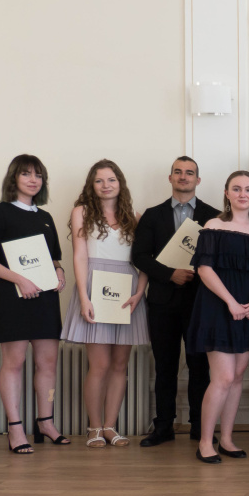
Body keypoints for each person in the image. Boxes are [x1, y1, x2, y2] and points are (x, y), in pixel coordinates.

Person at [0, 154, 67, 453]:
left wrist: (59, 272)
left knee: (48, 363)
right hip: (12, 298)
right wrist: (20, 279)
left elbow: (54, 258)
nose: (33, 180)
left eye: (38, 175)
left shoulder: (45, 217)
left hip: (45, 299)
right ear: (13, 177)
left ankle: (46, 422)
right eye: (26, 173)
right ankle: (15, 428)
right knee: (14, 363)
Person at [132, 157, 220, 446]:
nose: (184, 177)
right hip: (162, 303)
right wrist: (170, 274)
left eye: (189, 173)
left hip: (201, 303)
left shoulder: (214, 216)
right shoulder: (152, 215)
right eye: (178, 172)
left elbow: (219, 259)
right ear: (170, 178)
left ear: (198, 179)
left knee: (200, 367)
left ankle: (200, 426)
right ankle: (164, 427)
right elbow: (139, 256)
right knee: (165, 367)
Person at [185, 171, 249, 464]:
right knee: (222, 378)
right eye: (236, 189)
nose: (242, 194)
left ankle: (227, 439)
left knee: (236, 378)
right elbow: (204, 269)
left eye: (248, 189)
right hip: (219, 307)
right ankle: (205, 442)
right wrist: (231, 302)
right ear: (227, 193)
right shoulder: (214, 225)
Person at [61, 160, 148, 448]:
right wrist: (83, 296)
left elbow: (146, 259)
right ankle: (94, 428)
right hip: (95, 288)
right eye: (99, 181)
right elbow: (80, 255)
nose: (106, 185)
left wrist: (140, 292)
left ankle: (111, 427)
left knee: (120, 365)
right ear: (92, 185)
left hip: (127, 292)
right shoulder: (82, 212)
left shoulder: (134, 217)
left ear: (120, 183)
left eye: (111, 180)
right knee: (99, 365)